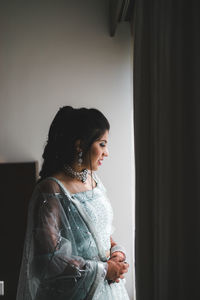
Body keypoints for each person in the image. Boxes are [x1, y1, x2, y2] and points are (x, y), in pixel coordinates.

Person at [17, 106, 130, 300]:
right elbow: (48, 260)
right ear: (80, 145)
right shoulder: (51, 190)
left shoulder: (94, 181)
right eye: (102, 144)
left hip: (109, 289)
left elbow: (102, 234)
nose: (107, 153)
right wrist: (104, 269)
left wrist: (116, 253)